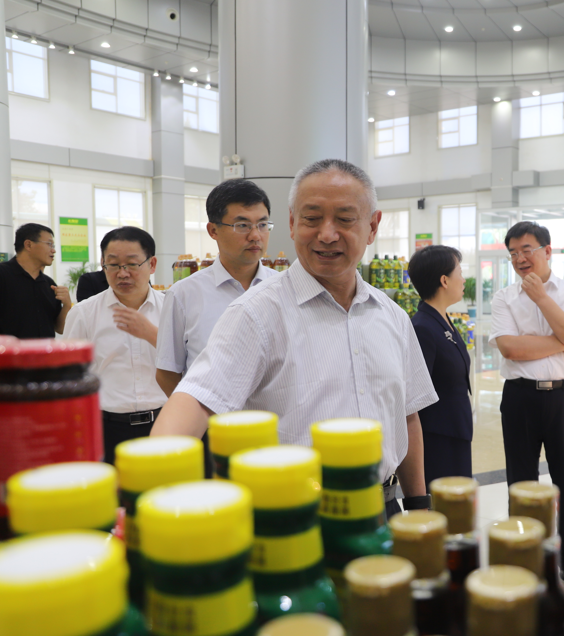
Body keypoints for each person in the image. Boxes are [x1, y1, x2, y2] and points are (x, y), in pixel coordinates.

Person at [151, 159, 438, 517]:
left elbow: (407, 415)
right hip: (294, 514)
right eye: (311, 218)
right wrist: (151, 479)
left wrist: (419, 504)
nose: (327, 234)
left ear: (372, 226)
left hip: (384, 509)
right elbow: (196, 400)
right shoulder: (255, 313)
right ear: (291, 223)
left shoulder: (392, 316)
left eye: (345, 219)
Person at [490, 221, 564, 598]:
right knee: (521, 486)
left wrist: (541, 299)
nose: (520, 258)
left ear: (547, 251)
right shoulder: (503, 297)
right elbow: (511, 349)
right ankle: (526, 561)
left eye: (527, 249)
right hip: (519, 398)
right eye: (513, 252)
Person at [154, 178, 279, 397]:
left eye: (262, 224)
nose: (255, 236)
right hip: (213, 418)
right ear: (213, 230)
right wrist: (199, 414)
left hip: (274, 417)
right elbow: (167, 373)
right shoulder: (184, 294)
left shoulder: (282, 287)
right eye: (242, 225)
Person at [63, 227, 166, 463]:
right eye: (113, 265)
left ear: (152, 264)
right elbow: (70, 377)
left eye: (131, 264)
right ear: (103, 265)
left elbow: (192, 364)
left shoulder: (172, 308)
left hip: (165, 423)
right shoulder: (84, 313)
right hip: (107, 428)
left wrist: (151, 334)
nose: (122, 273)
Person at [408, 245, 473, 484]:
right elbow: (415, 395)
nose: (463, 280)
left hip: (455, 431)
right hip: (437, 439)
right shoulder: (422, 327)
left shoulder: (441, 318)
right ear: (444, 280)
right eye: (460, 273)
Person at [0, 223, 72, 338]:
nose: (54, 250)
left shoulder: (49, 284)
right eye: (49, 244)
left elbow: (60, 328)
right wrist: (1, 348)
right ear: (28, 245)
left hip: (46, 350)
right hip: (10, 349)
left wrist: (67, 304)